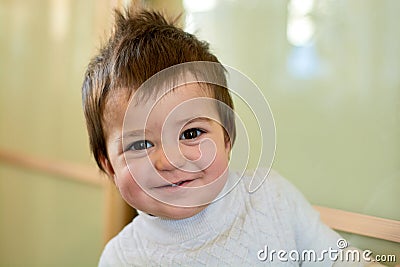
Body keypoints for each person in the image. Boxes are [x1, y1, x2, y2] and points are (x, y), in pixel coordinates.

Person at [81, 3, 378, 266]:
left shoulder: (271, 198)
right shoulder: (122, 258)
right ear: (108, 164)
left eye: (191, 133)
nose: (169, 160)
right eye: (141, 144)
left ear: (227, 138)